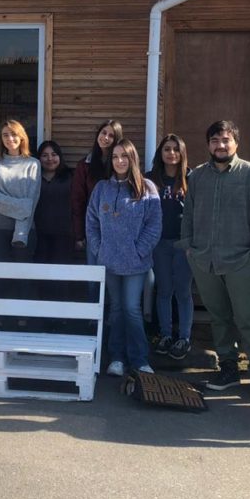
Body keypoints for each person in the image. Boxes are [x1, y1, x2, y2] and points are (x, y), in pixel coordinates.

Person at [179, 120, 250, 399]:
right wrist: (189, 248)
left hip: (242, 258)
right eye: (215, 140)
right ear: (208, 145)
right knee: (219, 317)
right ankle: (228, 367)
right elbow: (189, 212)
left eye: (225, 140)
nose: (220, 145)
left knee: (247, 317)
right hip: (204, 258)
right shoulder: (197, 176)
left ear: (236, 143)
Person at [86, 139, 162, 376]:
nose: (119, 161)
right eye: (115, 156)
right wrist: (100, 249)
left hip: (135, 263)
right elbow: (91, 222)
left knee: (131, 308)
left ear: (132, 159)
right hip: (109, 261)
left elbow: (154, 225)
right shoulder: (102, 188)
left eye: (124, 156)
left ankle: (139, 359)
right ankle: (117, 358)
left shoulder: (147, 188)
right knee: (116, 309)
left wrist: (139, 250)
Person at [146, 134, 194, 361]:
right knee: (164, 290)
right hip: (159, 243)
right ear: (161, 153)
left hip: (184, 243)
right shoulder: (150, 178)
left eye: (176, 149)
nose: (171, 153)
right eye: (167, 149)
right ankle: (165, 334)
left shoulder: (191, 178)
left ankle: (184, 337)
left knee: (183, 291)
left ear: (182, 153)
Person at [0, 119, 41, 267]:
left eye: (14, 134)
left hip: (25, 228)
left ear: (22, 137)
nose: (10, 138)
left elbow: (32, 200)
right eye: (5, 135)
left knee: (23, 275)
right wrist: (22, 206)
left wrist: (20, 234)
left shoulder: (33, 164)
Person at [71, 119, 123, 257]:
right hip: (93, 228)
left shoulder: (121, 165)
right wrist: (79, 234)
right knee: (94, 267)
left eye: (111, 135)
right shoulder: (84, 165)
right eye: (103, 132)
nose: (105, 137)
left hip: (118, 229)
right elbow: (78, 201)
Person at [34, 140, 75, 270]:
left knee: (61, 274)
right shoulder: (33, 178)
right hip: (38, 235)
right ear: (39, 158)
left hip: (64, 235)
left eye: (54, 154)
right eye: (45, 155)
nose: (50, 159)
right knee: (40, 274)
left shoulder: (71, 176)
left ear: (60, 156)